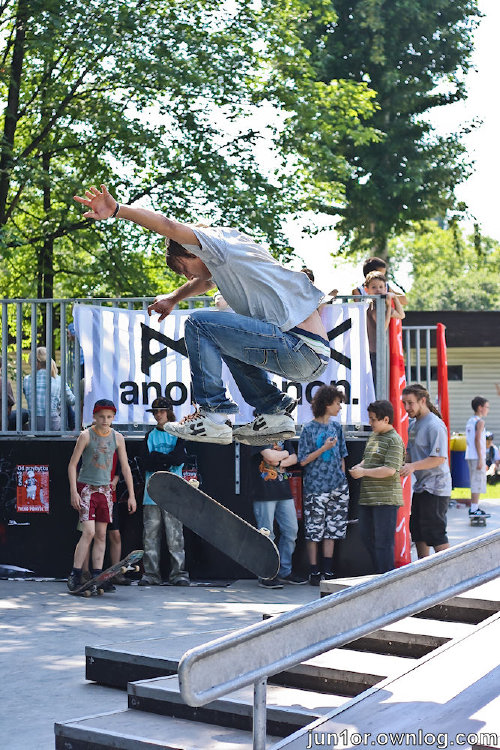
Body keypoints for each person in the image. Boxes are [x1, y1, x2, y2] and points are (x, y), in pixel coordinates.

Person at [74, 185, 329, 446]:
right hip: (308, 353)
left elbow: (168, 227)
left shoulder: (214, 244)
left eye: (185, 269)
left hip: (298, 346)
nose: (188, 277)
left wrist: (117, 210)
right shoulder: (232, 249)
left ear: (192, 251)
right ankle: (274, 411)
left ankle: (213, 415)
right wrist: (174, 298)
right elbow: (206, 281)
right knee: (221, 338)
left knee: (198, 324)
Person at [67, 399, 137, 592]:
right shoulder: (86, 435)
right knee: (88, 532)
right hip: (88, 489)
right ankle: (76, 573)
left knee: (101, 534)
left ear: (113, 418)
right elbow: (73, 464)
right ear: (94, 417)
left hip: (106, 491)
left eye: (109, 417)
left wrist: (131, 495)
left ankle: (98, 574)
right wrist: (74, 491)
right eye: (101, 417)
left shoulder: (118, 438)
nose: (105, 420)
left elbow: (125, 467)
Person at [298, 385, 349, 585]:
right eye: (337, 403)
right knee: (314, 530)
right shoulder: (308, 429)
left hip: (337, 486)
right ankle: (314, 571)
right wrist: (324, 448)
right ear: (327, 404)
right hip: (315, 487)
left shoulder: (337, 427)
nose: (339, 407)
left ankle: (327, 570)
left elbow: (343, 455)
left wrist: (342, 478)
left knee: (333, 529)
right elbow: (302, 460)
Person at [349, 400, 405, 574]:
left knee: (383, 543)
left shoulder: (394, 440)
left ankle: (386, 577)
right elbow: (370, 459)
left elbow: (389, 470)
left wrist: (363, 472)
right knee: (367, 538)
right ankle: (379, 575)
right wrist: (360, 466)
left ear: (386, 419)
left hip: (386, 500)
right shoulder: (374, 436)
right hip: (368, 498)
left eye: (373, 419)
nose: (370, 423)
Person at [139, 397, 190, 587]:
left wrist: (158, 458)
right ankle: (151, 574)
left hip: (173, 493)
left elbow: (179, 458)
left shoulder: (179, 434)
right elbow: (145, 461)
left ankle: (179, 573)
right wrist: (165, 460)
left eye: (161, 411)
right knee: (150, 536)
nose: (158, 414)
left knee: (175, 535)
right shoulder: (149, 436)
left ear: (169, 412)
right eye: (155, 412)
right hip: (151, 493)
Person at [400, 384, 452, 559]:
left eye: (410, 403)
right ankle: (423, 568)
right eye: (404, 403)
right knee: (418, 531)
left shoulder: (435, 425)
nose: (407, 408)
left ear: (423, 401)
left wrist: (412, 467)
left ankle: (447, 572)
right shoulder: (413, 425)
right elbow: (411, 455)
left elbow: (438, 459)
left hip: (436, 488)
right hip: (422, 487)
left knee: (435, 533)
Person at [249, 439, 307, 588]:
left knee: (291, 530)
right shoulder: (258, 434)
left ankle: (284, 571)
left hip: (283, 490)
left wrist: (280, 460)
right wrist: (284, 454)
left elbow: (294, 458)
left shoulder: (283, 435)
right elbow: (269, 456)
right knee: (267, 535)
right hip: (263, 491)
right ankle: (266, 574)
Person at [23, 347, 75, 430]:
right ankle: (73, 429)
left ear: (36, 363)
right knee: (65, 402)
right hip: (54, 427)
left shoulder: (26, 380)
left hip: (34, 428)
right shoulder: (58, 379)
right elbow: (72, 401)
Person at [364, 271, 405, 374]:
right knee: (376, 382)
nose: (378, 290)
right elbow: (383, 328)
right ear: (366, 290)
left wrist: (395, 298)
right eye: (374, 287)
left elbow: (401, 315)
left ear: (385, 289)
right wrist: (388, 306)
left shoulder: (381, 304)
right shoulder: (372, 305)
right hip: (372, 351)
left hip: (380, 350)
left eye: (381, 287)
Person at [465, 396, 491, 519]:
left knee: (475, 481)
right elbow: (477, 440)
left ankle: (474, 507)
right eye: (487, 407)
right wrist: (481, 458)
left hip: (470, 455)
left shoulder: (471, 420)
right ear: (480, 408)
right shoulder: (480, 422)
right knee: (477, 482)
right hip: (476, 456)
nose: (488, 410)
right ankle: (474, 508)